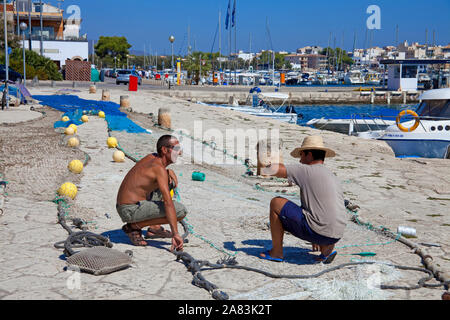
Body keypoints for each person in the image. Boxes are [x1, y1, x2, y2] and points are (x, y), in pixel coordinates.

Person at [258, 135, 346, 264]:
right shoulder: (331, 175)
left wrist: (264, 158)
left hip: (319, 231)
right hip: (336, 234)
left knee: (276, 202)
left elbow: (270, 170)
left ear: (309, 155)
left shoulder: (306, 169)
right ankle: (326, 249)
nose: (300, 160)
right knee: (315, 210)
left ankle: (276, 252)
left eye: (301, 155)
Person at [116, 135, 187, 251]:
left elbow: (149, 176)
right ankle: (133, 227)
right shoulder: (159, 169)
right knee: (180, 211)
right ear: (164, 150)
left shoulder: (152, 158)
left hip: (126, 205)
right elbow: (168, 203)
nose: (179, 153)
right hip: (130, 209)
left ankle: (154, 227)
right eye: (176, 149)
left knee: (167, 181)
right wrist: (176, 234)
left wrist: (169, 172)